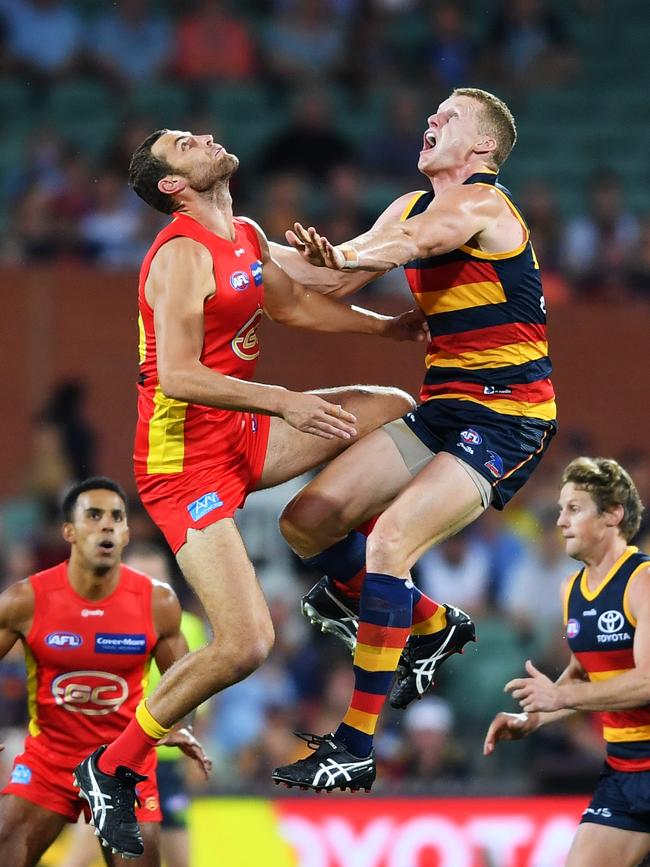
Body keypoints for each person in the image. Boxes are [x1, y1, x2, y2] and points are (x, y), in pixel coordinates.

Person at [73, 123, 437, 857]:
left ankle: (341, 579)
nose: (203, 136)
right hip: (184, 467)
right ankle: (108, 767)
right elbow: (175, 374)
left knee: (395, 409)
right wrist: (283, 401)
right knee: (246, 643)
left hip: (242, 434)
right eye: (183, 143)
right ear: (172, 185)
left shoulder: (240, 229)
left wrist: (388, 330)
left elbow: (299, 303)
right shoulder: (179, 253)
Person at [270, 86, 557, 792]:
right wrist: (233, 241)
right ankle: (430, 624)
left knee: (389, 541)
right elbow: (319, 278)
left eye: (448, 118)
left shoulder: (484, 205)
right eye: (430, 114)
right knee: (305, 523)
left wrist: (343, 250)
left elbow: (415, 244)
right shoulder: (405, 205)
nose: (430, 121)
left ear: (483, 147)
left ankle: (355, 745)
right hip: (442, 409)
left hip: (508, 415)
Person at [0, 476, 211, 867]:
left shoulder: (157, 602)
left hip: (124, 767)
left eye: (116, 517)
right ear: (69, 531)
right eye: (94, 515)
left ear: (127, 533)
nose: (107, 525)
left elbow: (185, 680)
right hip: (49, 762)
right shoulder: (24, 600)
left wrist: (183, 725)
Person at [484, 457, 649, 867]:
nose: (560, 521)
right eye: (560, 509)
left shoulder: (643, 581)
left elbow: (647, 682)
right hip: (625, 770)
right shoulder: (571, 590)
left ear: (613, 514)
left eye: (574, 509)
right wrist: (533, 717)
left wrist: (555, 698)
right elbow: (580, 677)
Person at [61, 542, 207, 867]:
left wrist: (193, 740)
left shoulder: (190, 628)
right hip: (113, 757)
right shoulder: (101, 621)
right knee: (81, 856)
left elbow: (198, 695)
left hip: (166, 760)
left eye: (158, 579)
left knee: (180, 859)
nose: (151, 588)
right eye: (143, 578)